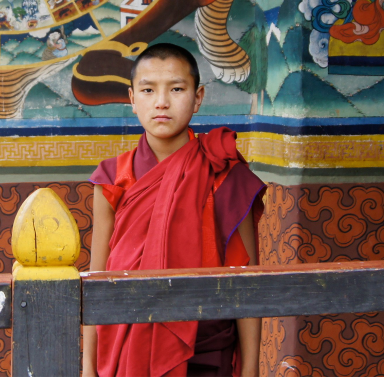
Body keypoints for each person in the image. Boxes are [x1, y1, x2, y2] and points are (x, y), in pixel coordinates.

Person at [83, 43, 265, 377]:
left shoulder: (223, 172)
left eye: (177, 89)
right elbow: (98, 278)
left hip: (206, 348)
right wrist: (88, 366)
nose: (162, 102)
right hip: (127, 345)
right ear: (132, 98)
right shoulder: (112, 177)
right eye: (148, 90)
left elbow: (246, 280)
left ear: (198, 97)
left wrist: (251, 369)